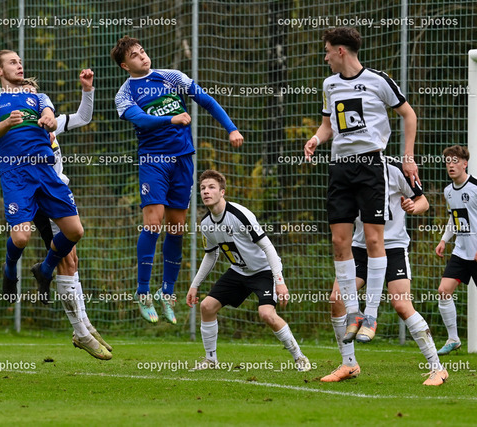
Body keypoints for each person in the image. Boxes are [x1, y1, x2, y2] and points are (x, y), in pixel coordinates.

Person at [0, 51, 110, 360]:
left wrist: (81, 96)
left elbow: (77, 117)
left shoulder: (39, 103)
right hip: (21, 182)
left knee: (73, 248)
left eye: (21, 61)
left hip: (50, 181)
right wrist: (6, 124)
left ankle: (78, 321)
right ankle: (79, 328)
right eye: (12, 62)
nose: (20, 65)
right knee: (29, 242)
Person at [111, 35, 244, 324]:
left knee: (177, 229)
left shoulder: (171, 77)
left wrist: (231, 129)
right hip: (153, 161)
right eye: (135, 55)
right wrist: (171, 119)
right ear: (125, 65)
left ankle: (167, 292)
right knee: (153, 223)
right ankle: (143, 291)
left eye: (143, 51)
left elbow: (207, 101)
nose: (143, 57)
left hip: (183, 159)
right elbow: (142, 120)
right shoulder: (125, 94)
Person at [304, 27, 419, 343]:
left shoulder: (378, 81)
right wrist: (316, 138)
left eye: (327, 50)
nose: (325, 57)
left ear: (341, 51)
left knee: (372, 240)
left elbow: (409, 115)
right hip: (340, 168)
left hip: (371, 166)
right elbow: (328, 125)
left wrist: (408, 157)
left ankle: (371, 315)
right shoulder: (329, 85)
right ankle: (354, 312)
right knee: (340, 243)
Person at [321, 158, 447, 386]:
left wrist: (412, 206)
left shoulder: (394, 167)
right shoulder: (346, 168)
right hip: (359, 248)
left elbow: (423, 201)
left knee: (401, 304)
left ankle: (437, 369)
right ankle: (349, 364)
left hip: (393, 247)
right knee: (336, 298)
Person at [23, 72, 113, 354]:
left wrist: (88, 90)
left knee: (72, 259)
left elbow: (83, 117)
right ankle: (80, 331)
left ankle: (84, 326)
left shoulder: (50, 125)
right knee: (66, 261)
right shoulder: (15, 135)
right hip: (42, 200)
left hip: (61, 194)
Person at [185, 170, 311, 371]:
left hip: (263, 271)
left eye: (211, 187)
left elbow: (268, 248)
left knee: (266, 314)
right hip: (238, 271)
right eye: (202, 188)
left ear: (222, 192)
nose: (206, 192)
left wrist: (279, 281)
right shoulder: (206, 224)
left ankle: (299, 357)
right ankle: (210, 360)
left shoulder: (240, 215)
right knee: (207, 307)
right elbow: (211, 255)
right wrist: (194, 285)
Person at [434, 145, 477, 356]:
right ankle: (453, 339)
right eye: (448, 161)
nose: (451, 165)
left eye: (455, 161)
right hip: (461, 251)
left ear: (465, 163)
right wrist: (444, 240)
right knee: (443, 291)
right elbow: (454, 218)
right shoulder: (448, 191)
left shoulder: (475, 187)